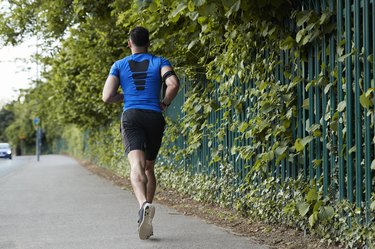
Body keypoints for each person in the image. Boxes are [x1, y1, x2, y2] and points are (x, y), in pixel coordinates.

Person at [102, 26, 180, 240]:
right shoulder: (160, 61)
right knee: (149, 166)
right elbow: (173, 84)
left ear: (129, 43)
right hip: (154, 116)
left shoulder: (118, 65)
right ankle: (148, 214)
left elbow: (107, 96)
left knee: (136, 166)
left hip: (132, 117)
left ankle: (143, 205)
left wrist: (124, 97)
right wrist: (164, 102)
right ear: (149, 43)